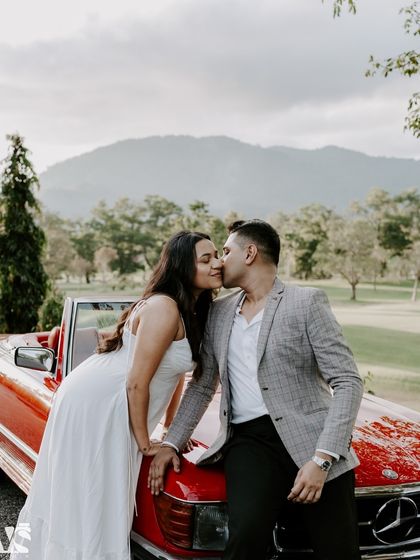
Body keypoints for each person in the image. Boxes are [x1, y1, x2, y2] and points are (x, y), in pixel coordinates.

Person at [148, 219, 363, 560]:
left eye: (227, 251)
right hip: (249, 443)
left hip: (314, 440)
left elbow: (348, 381)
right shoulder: (219, 313)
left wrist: (322, 460)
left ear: (250, 253)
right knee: (243, 540)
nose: (220, 261)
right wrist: (171, 441)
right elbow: (203, 385)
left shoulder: (306, 303)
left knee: (338, 551)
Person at [10, 230, 223, 560]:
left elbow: (175, 373)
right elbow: (137, 382)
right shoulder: (164, 308)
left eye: (218, 256)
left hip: (115, 400)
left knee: (101, 497)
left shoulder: (191, 310)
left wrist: (169, 430)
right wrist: (144, 442)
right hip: (99, 402)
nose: (217, 264)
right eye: (206, 259)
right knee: (95, 497)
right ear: (183, 266)